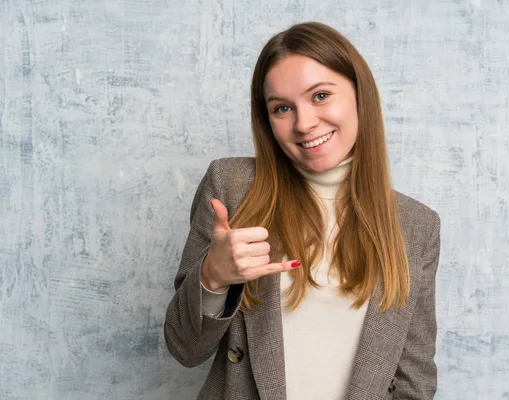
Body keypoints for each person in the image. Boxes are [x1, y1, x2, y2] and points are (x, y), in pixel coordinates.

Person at [163, 21, 441, 400]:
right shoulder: (232, 188)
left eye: (321, 95)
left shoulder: (417, 226)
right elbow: (185, 349)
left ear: (361, 96)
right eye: (282, 108)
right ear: (268, 121)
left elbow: (414, 378)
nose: (304, 123)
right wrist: (213, 278)